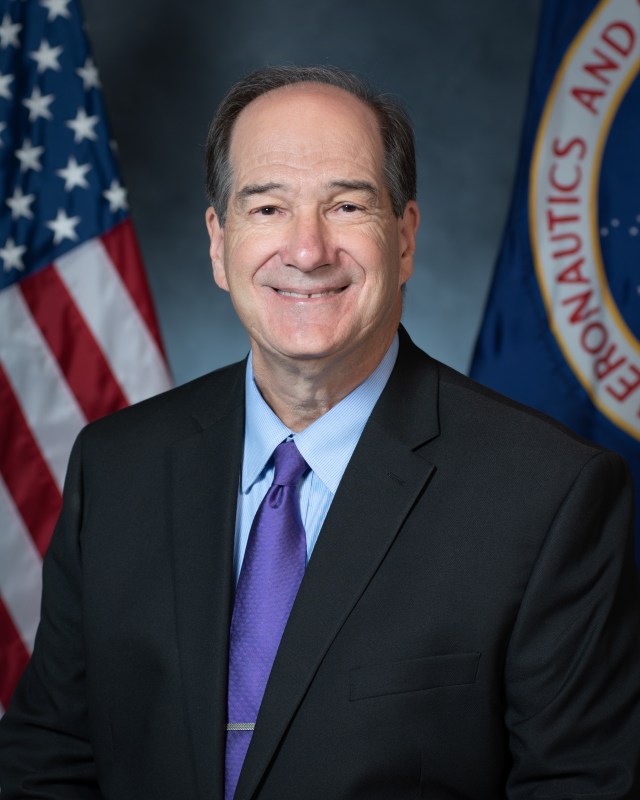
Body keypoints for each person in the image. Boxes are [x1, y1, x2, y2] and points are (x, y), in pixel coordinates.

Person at [1, 65, 639, 800]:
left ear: (404, 237)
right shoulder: (116, 468)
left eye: (346, 205)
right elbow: (48, 758)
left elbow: (580, 786)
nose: (307, 250)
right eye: (267, 208)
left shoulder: (548, 495)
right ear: (219, 242)